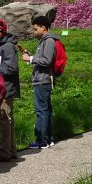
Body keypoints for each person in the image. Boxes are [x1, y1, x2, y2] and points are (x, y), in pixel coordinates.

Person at [21, 15, 59, 150]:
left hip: (42, 81)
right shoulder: (44, 41)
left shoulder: (48, 41)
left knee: (41, 111)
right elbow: (43, 59)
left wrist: (31, 59)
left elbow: (47, 60)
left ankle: (42, 140)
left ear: (43, 28)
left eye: (36, 29)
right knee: (46, 110)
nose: (34, 32)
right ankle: (48, 139)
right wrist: (30, 56)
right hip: (42, 80)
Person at [0, 18, 21, 161]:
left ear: (3, 31)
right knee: (8, 120)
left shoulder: (7, 46)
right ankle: (11, 151)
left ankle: (4, 153)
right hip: (5, 87)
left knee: (4, 119)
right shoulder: (2, 45)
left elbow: (12, 68)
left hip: (6, 88)